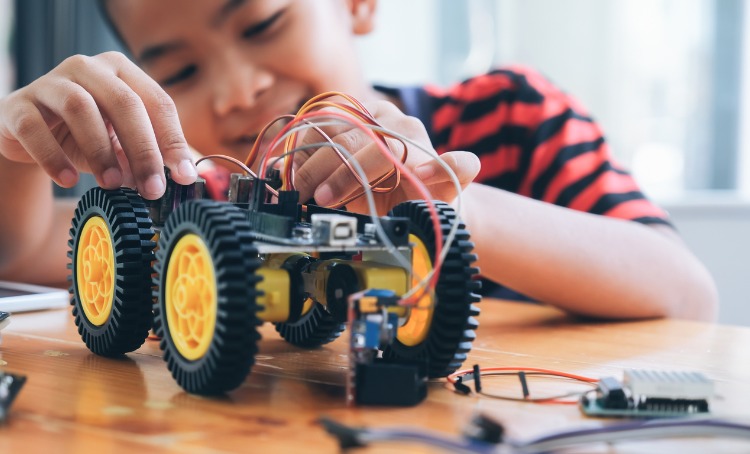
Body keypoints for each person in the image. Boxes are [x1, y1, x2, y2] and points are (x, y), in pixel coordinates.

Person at [0, 0, 717, 320]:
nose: (235, 90)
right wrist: (12, 149)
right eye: (179, 73)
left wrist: (438, 199)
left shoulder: (511, 116)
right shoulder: (210, 200)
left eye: (262, 22)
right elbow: (22, 245)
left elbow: (684, 294)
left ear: (358, 3)